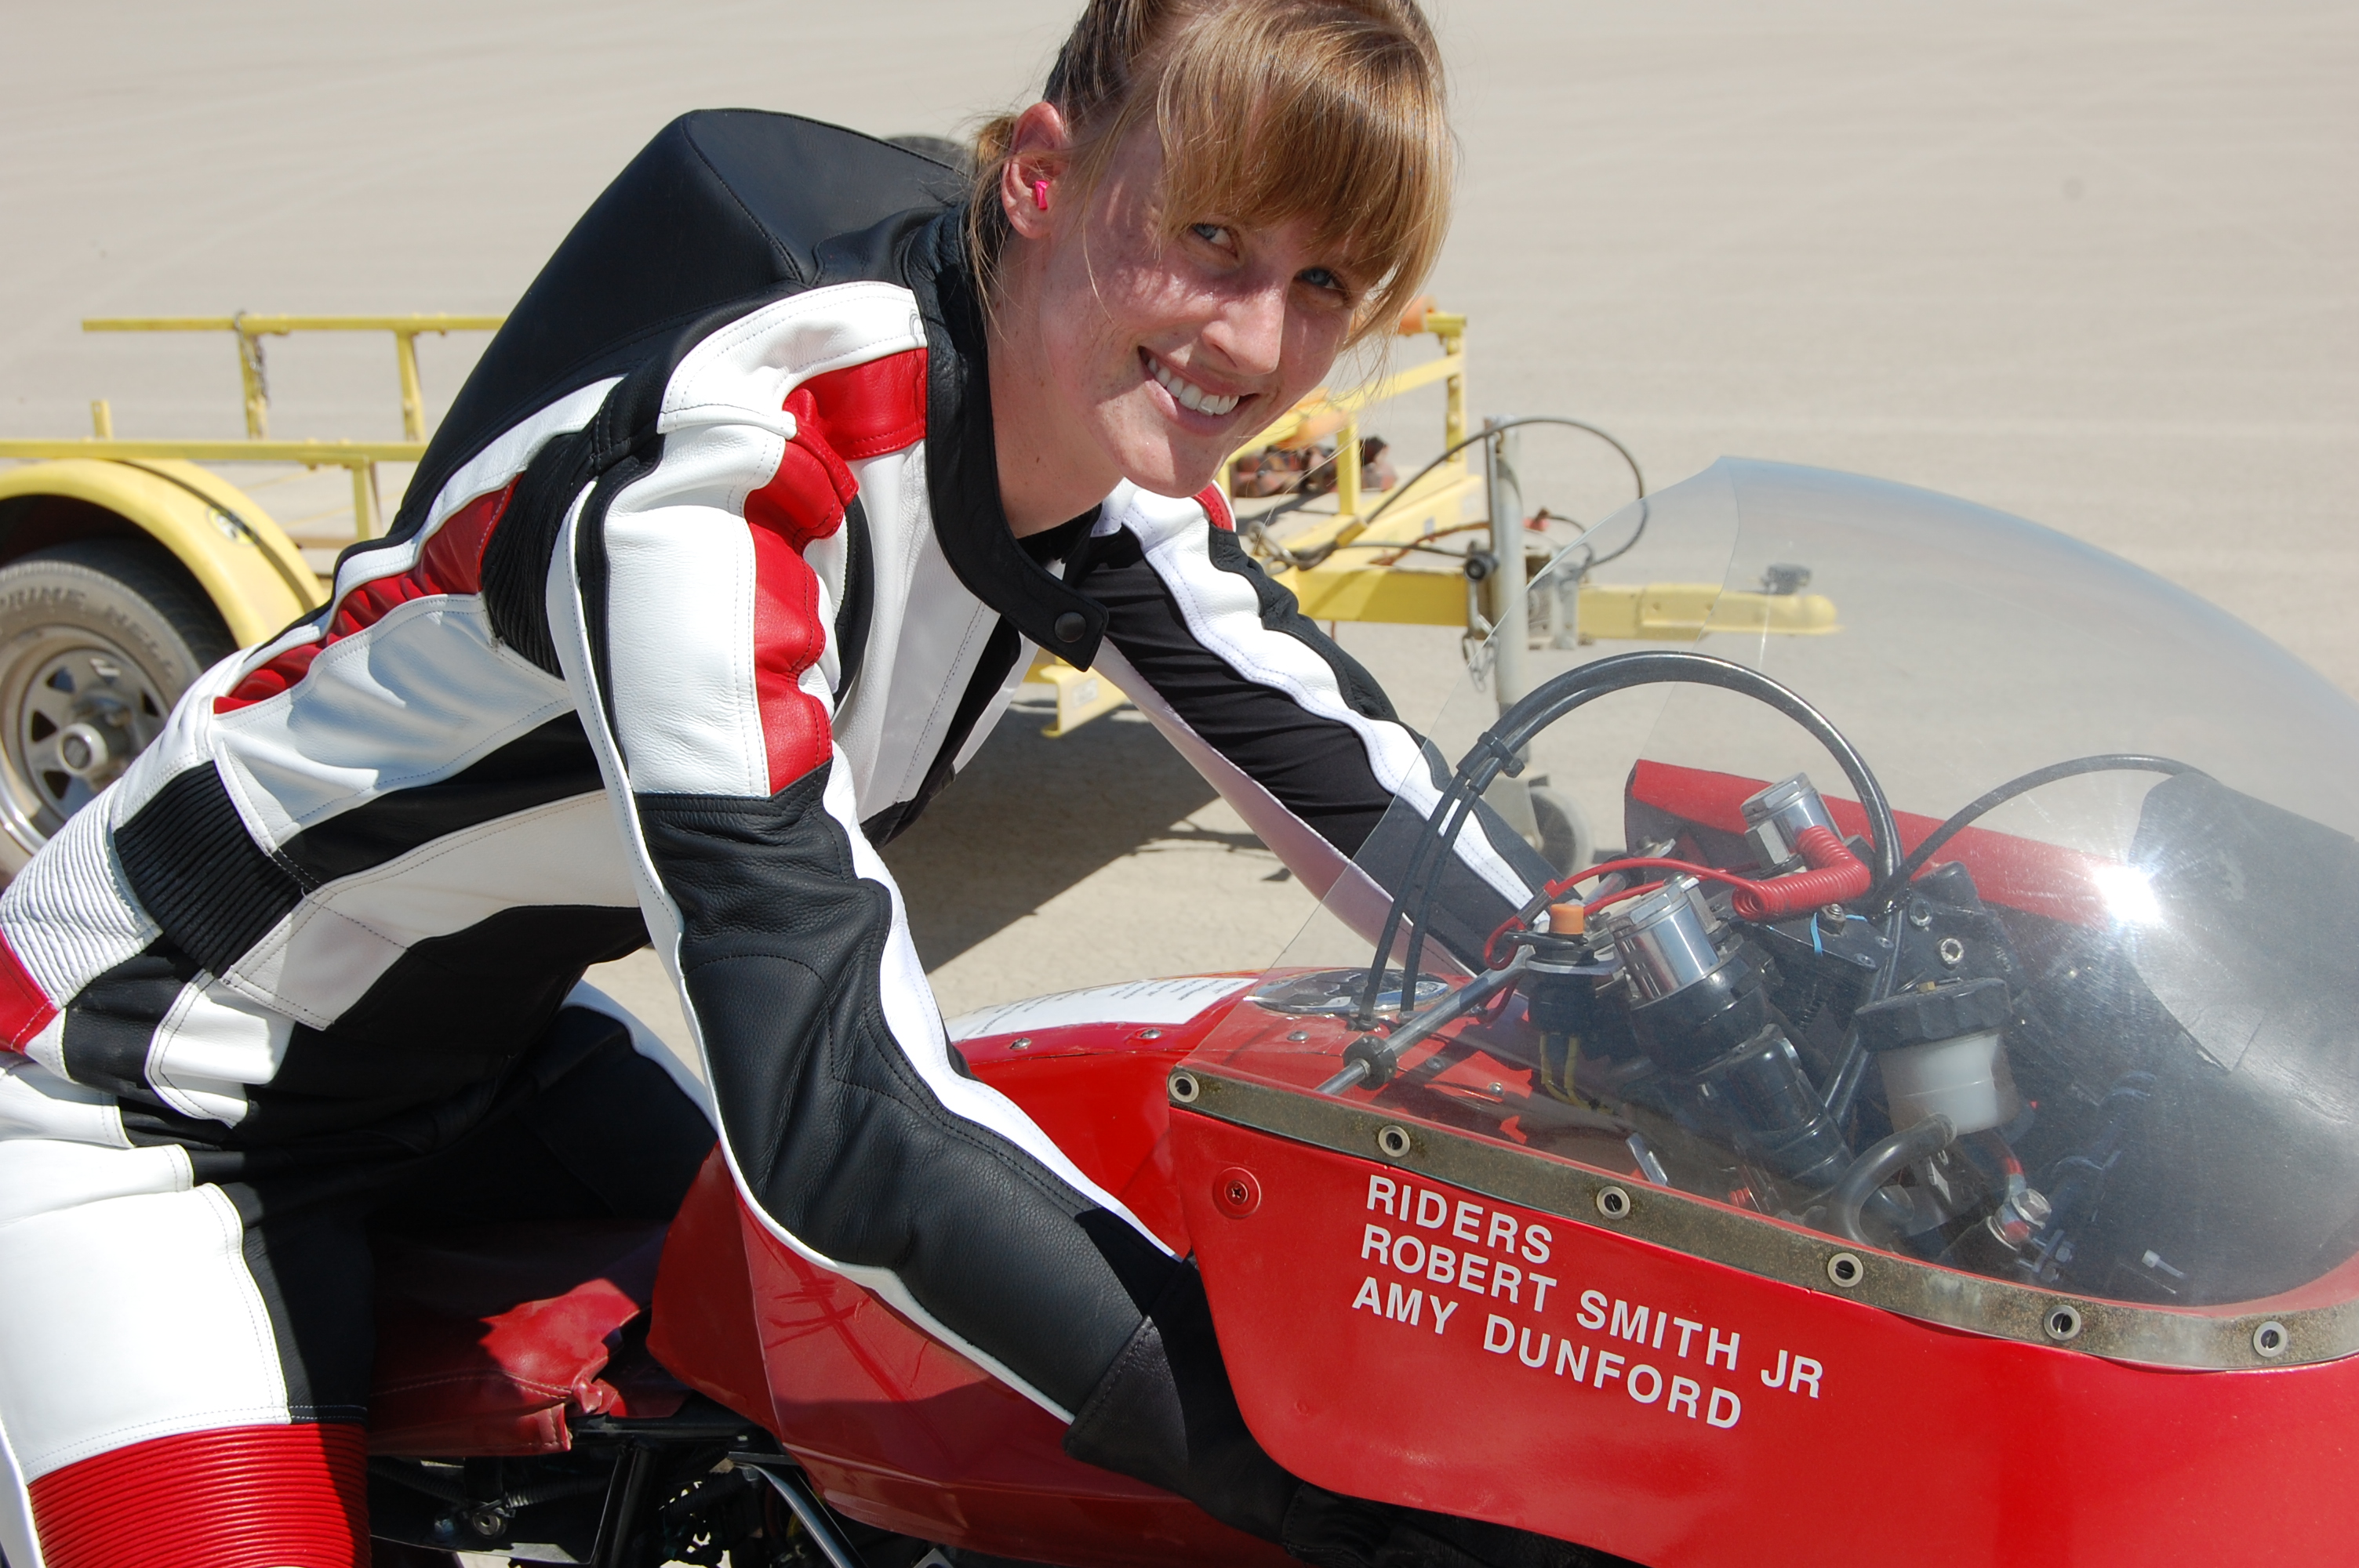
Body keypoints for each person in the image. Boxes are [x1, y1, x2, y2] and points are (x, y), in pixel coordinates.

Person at [0, 2, 1582, 1563]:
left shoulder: (1101, 459)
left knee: (834, 1434)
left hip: (487, 1045)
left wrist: (1660, 988)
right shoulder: (732, 477)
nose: (1252, 339)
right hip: (145, 1083)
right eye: (1211, 237)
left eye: (1319, 282)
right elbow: (835, 1107)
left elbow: (1365, 790)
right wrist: (1303, 1473)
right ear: (1040, 177)